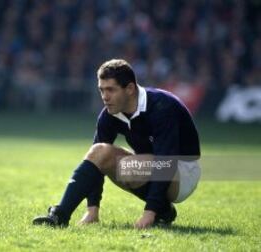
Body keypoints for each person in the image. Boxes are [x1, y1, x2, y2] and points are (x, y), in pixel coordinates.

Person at [32, 59, 201, 229]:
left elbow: (167, 162)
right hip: (153, 164)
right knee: (101, 153)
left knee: (132, 164)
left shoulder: (162, 105)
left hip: (183, 171)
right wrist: (92, 209)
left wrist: (149, 212)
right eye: (102, 90)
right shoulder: (109, 115)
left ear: (129, 89)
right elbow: (96, 161)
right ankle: (60, 216)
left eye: (111, 90)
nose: (105, 96)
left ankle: (157, 209)